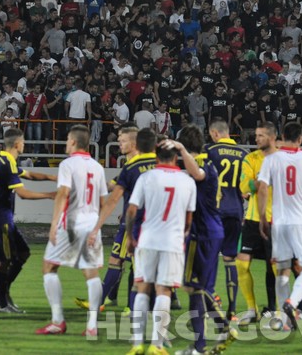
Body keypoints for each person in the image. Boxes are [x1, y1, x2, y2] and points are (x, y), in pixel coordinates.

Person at [167, 125, 234, 355]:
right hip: (210, 231)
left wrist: (180, 149)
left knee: (193, 287)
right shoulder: (202, 164)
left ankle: (219, 329)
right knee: (198, 287)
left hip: (202, 233)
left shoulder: (201, 164)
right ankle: (201, 344)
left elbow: (197, 174)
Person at [125, 138, 196, 355]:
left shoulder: (146, 177)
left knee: (142, 287)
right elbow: (189, 219)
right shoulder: (187, 181)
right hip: (172, 241)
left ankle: (137, 343)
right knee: (164, 290)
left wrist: (130, 237)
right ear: (176, 158)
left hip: (147, 239)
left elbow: (131, 210)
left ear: (156, 157)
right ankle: (156, 345)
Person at [36, 125, 107, 337]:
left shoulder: (67, 164)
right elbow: (103, 202)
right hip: (92, 223)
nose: (66, 143)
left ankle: (58, 321)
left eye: (67, 139)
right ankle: (92, 325)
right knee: (91, 273)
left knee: (49, 266)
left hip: (70, 224)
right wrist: (97, 225)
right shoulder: (97, 167)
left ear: (74, 141)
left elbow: (63, 194)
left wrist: (53, 223)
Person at [82, 127, 157, 314]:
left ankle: (125, 305)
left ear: (134, 143)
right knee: (132, 264)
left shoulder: (132, 167)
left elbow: (113, 196)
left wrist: (96, 227)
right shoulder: (158, 163)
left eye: (122, 141)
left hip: (133, 223)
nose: (119, 144)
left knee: (123, 262)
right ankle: (112, 302)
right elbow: (112, 186)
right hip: (155, 224)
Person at [257, 121, 302, 331]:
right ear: (301, 138)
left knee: (282, 269)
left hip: (279, 222)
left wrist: (262, 217)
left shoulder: (271, 159)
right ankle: (292, 303)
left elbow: (262, 188)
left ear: (282, 137)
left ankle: (284, 321)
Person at [0, 127, 55, 313]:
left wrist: (53, 177)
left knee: (23, 252)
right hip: (1, 218)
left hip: (4, 216)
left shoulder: (7, 161)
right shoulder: (7, 164)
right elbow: (23, 194)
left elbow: (30, 175)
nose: (24, 145)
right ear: (17, 144)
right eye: (23, 142)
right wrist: (50, 195)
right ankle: (2, 303)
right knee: (4, 261)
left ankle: (4, 293)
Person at [205, 118, 247, 320]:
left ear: (214, 133)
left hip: (215, 211)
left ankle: (210, 302)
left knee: (209, 256)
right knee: (230, 259)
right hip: (235, 211)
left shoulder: (209, 151)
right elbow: (246, 189)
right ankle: (232, 311)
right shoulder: (244, 154)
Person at [236, 122, 278, 326]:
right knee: (241, 264)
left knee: (276, 268)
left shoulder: (282, 160)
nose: (256, 139)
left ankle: (278, 311)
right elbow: (244, 186)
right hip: (253, 219)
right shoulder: (250, 158)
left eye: (261, 135)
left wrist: (258, 183)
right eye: (256, 135)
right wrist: (258, 183)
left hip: (276, 220)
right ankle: (251, 310)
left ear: (272, 137)